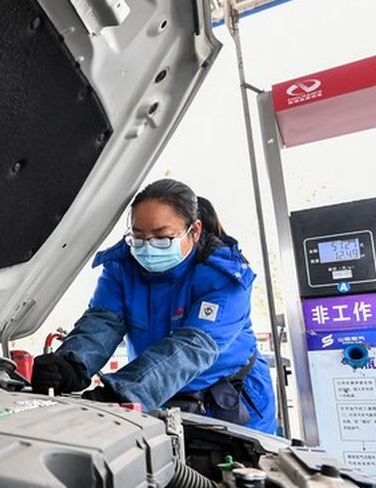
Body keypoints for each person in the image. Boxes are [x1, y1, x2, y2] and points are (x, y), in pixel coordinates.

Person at [31, 179, 277, 433]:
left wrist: (121, 392)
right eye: (138, 237)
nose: (147, 247)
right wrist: (71, 365)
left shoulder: (225, 277)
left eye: (161, 238)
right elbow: (103, 322)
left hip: (230, 407)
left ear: (194, 230)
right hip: (155, 396)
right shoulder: (121, 267)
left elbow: (192, 347)